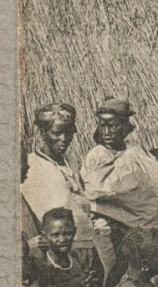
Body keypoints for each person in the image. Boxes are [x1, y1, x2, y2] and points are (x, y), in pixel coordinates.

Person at [81, 99, 158, 260]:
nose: (107, 132)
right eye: (102, 126)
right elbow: (96, 189)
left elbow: (149, 174)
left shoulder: (134, 148)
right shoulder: (98, 155)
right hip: (126, 228)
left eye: (112, 125)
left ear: (125, 126)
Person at [24, 102, 106, 274]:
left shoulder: (71, 160)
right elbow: (26, 211)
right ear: (43, 133)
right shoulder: (32, 165)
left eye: (68, 132)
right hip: (57, 251)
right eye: (57, 133)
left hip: (87, 243)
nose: (64, 138)